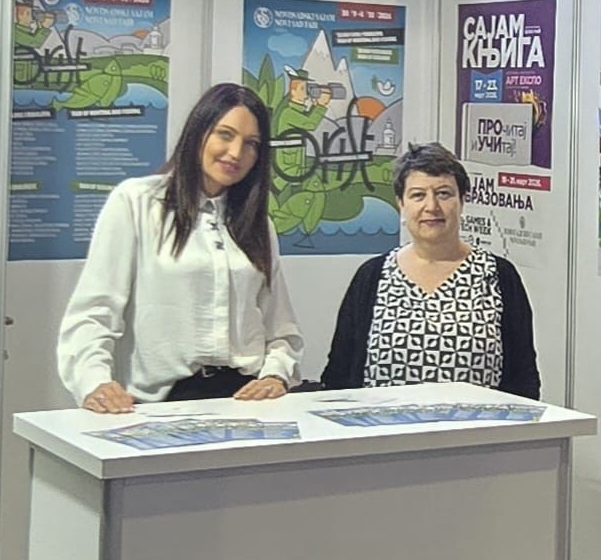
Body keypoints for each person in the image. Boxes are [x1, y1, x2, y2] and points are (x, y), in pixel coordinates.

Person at [58, 83, 303, 413]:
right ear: (198, 132)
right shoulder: (137, 202)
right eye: (225, 135)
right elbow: (94, 312)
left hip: (243, 401)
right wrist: (94, 382)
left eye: (251, 144)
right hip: (158, 403)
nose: (235, 153)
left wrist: (276, 375)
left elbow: (281, 328)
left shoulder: (257, 224)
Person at [321, 143, 540, 399]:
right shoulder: (372, 277)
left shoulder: (498, 276)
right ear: (401, 204)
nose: (431, 206)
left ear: (463, 201)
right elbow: (339, 375)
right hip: (382, 424)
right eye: (418, 195)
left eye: (444, 194)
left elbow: (524, 379)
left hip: (480, 424)